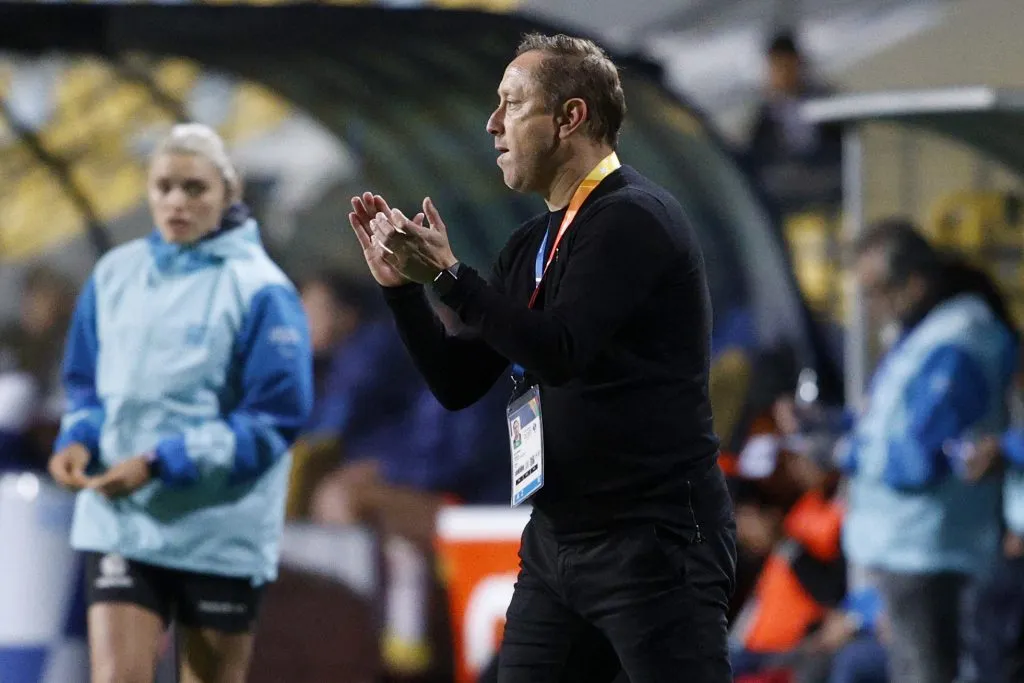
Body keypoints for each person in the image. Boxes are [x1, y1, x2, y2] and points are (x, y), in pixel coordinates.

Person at [347, 32, 736, 683]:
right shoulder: (531, 242)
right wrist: (403, 293)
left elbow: (559, 351)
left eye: (511, 103)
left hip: (654, 541)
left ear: (569, 117)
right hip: (558, 542)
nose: (492, 123)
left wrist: (450, 278)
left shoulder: (632, 219)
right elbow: (457, 379)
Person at [47, 123, 313, 683]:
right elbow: (85, 386)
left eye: (194, 188)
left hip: (217, 527)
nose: (176, 202)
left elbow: (273, 422)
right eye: (163, 186)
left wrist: (160, 461)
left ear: (227, 193)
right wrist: (77, 438)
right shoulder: (113, 275)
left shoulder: (261, 289)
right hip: (122, 519)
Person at [840, 219, 1016, 683]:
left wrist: (845, 451)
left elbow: (918, 458)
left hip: (929, 547)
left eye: (876, 291)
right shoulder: (922, 336)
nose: (871, 307)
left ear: (914, 283)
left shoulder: (955, 342)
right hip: (915, 546)